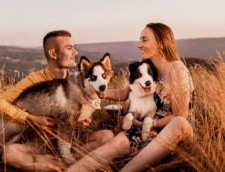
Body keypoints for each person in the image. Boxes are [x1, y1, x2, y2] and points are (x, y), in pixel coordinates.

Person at [66, 23, 195, 172]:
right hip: (146, 131)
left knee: (179, 122)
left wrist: (144, 124)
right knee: (117, 142)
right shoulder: (146, 69)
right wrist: (93, 91)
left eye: (144, 40)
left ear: (160, 42)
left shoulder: (178, 70)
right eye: (140, 40)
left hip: (174, 132)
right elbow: (122, 93)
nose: (139, 45)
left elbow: (180, 116)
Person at [0, 30, 114, 171]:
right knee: (10, 154)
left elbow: (78, 112)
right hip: (40, 143)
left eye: (74, 47)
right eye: (69, 48)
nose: (76, 52)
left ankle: (64, 165)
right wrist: (31, 118)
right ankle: (71, 167)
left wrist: (82, 120)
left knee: (107, 136)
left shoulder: (80, 81)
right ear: (53, 54)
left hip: (71, 140)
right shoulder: (33, 81)